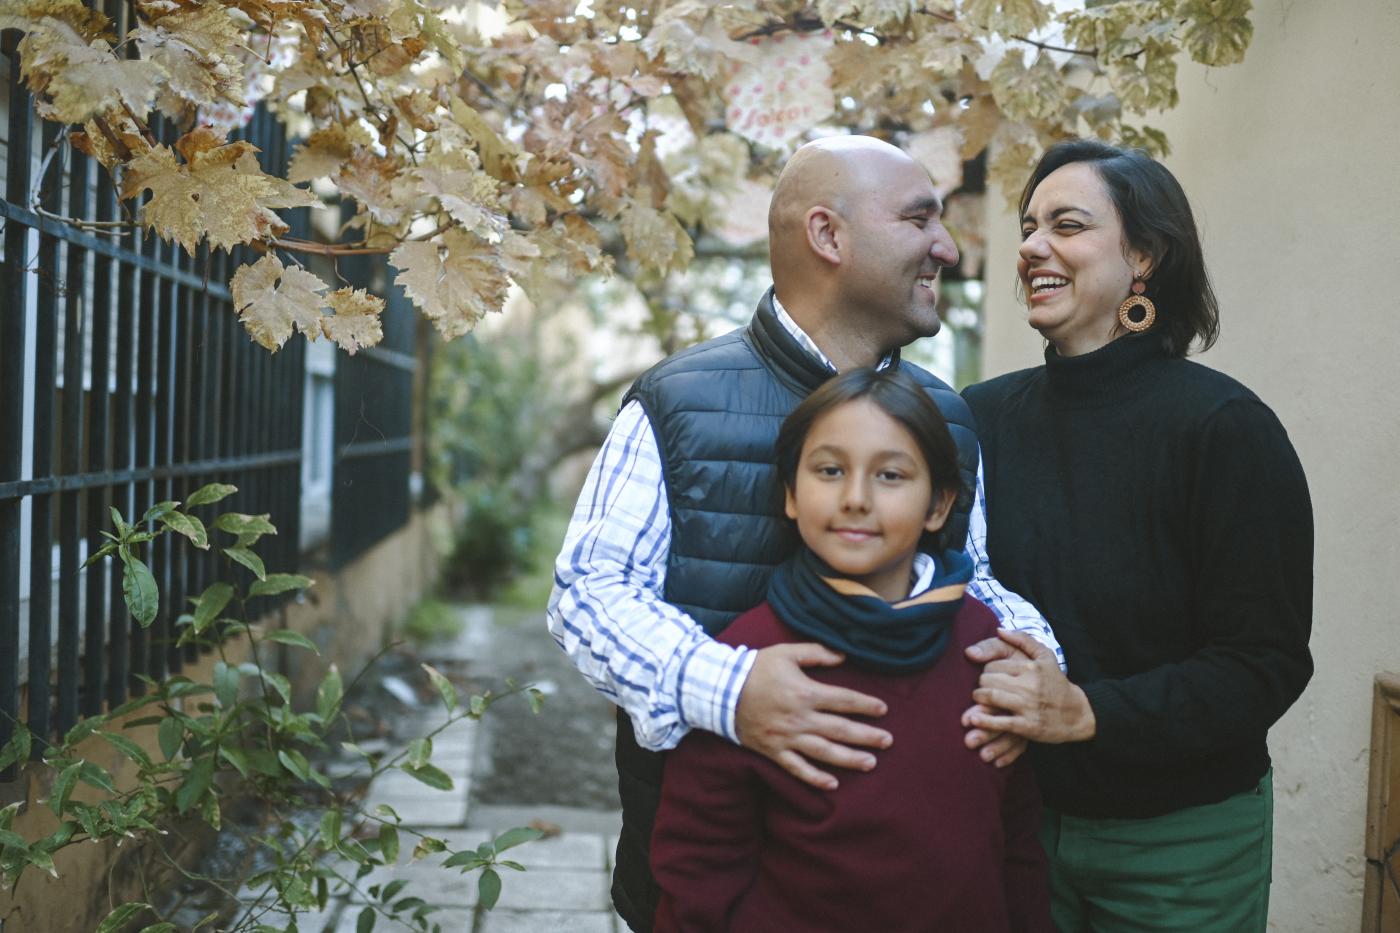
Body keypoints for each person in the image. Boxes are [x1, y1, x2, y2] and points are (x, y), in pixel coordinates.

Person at [547, 135, 1062, 931]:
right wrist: (732, 689)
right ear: (829, 236)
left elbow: (970, 575)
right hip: (709, 884)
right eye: (920, 218)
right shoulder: (677, 401)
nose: (947, 247)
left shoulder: (946, 418)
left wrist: (1035, 657)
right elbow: (588, 591)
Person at [959, 138, 1314, 931]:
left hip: (1181, 843)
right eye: (1027, 226)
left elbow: (1265, 660)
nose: (1031, 247)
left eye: (1068, 224)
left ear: (1145, 255)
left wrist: (1089, 712)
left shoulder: (1225, 429)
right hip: (1011, 822)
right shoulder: (979, 418)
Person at [649, 367, 1053, 933]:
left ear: (939, 505)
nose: (856, 499)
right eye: (830, 471)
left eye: (890, 475)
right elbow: (697, 867)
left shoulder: (987, 649)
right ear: (791, 493)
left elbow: (1017, 844)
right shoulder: (748, 662)